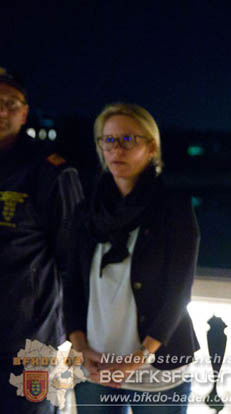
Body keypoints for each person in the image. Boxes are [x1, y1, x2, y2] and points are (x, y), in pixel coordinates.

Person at [63, 103, 200, 413]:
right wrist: (80, 346)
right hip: (95, 364)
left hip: (156, 369)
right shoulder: (88, 211)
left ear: (151, 147)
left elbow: (179, 293)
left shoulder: (173, 208)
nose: (116, 150)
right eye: (108, 140)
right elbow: (71, 283)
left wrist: (139, 357)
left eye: (128, 140)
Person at [0, 68, 84, 412]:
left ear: (24, 113)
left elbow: (74, 256)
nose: (1, 111)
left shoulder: (50, 171)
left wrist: (74, 328)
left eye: (9, 103)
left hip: (30, 337)